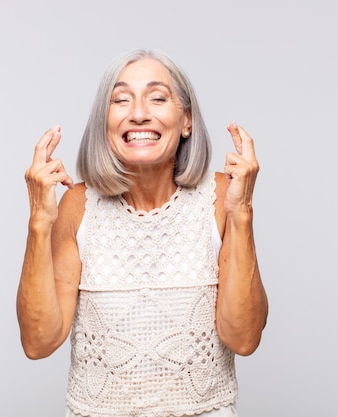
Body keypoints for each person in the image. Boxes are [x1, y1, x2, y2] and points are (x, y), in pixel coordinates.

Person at [17, 49, 268, 417]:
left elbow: (243, 338)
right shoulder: (77, 206)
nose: (138, 113)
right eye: (120, 99)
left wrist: (242, 211)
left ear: (186, 121)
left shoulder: (220, 200)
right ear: (106, 122)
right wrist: (39, 219)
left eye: (158, 97)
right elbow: (38, 343)